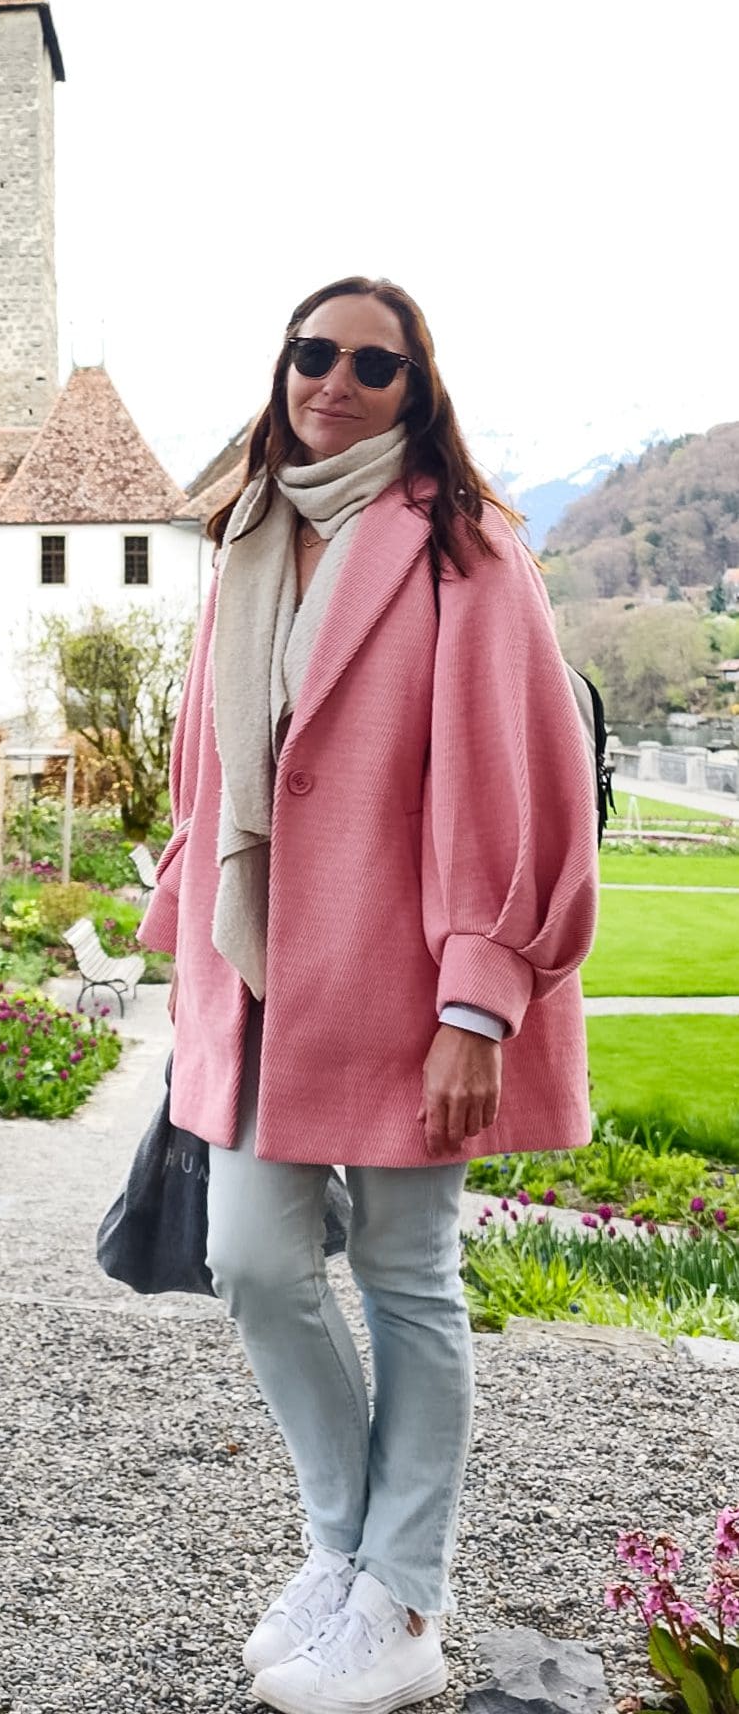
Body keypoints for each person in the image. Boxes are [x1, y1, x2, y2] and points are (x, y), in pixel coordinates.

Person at [136, 276, 599, 1714]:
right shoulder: (249, 538)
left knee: (408, 1280)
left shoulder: (468, 552)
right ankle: (344, 1552)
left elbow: (522, 790)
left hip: (410, 984)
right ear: (283, 368)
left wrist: (480, 1003)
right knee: (255, 1263)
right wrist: (181, 921)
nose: (333, 380)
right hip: (262, 973)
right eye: (311, 353)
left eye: (371, 364)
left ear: (418, 390)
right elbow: (214, 773)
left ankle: (402, 1604)